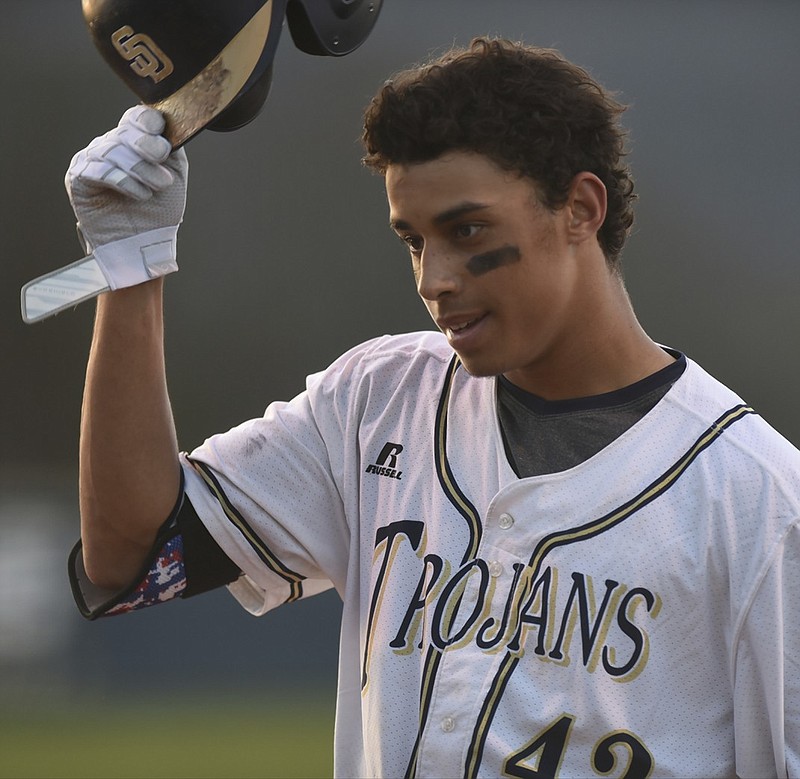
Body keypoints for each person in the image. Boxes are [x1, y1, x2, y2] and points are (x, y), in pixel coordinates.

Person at [67, 38, 800, 778]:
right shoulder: (377, 401)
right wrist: (132, 268)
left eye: (467, 229)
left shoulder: (762, 503)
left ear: (580, 208)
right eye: (413, 240)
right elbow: (131, 550)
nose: (433, 278)